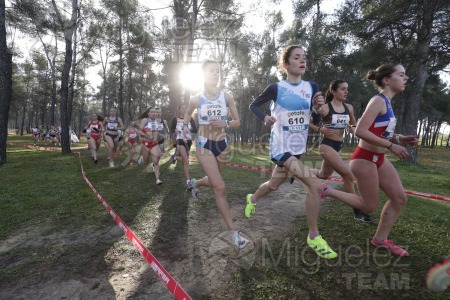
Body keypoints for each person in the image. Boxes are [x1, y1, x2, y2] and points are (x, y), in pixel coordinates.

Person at [245, 45, 366, 259]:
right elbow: (253, 105)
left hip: (297, 148)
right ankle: (314, 236)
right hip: (280, 147)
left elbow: (316, 118)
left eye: (304, 58)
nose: (302, 61)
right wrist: (265, 117)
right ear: (285, 64)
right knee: (315, 185)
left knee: (273, 185)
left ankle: (252, 199)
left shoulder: (312, 86)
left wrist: (319, 109)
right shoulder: (276, 88)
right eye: (297, 57)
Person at [349, 63, 418, 256]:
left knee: (399, 198)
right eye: (402, 74)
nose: (406, 78)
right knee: (368, 206)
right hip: (364, 159)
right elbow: (360, 131)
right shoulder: (378, 100)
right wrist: (391, 146)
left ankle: (380, 239)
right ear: (387, 80)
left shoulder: (387, 102)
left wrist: (398, 138)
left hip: (378, 158)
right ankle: (326, 190)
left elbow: (379, 131)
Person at [182, 59, 248, 249]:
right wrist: (185, 127)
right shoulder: (196, 99)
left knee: (213, 181)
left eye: (218, 71)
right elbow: (187, 113)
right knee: (220, 187)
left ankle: (195, 183)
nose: (216, 74)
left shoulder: (226, 97)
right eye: (212, 71)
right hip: (204, 144)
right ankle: (234, 234)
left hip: (222, 144)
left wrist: (226, 123)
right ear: (203, 74)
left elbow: (237, 121)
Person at [309, 80, 377, 223]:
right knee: (347, 175)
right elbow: (306, 121)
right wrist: (319, 129)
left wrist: (353, 128)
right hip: (326, 146)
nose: (346, 92)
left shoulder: (349, 108)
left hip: (338, 145)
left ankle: (296, 171)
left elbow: (353, 124)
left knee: (323, 174)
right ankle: (358, 212)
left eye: (347, 89)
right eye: (342, 89)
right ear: (333, 91)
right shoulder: (325, 108)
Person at [171, 104, 197, 189]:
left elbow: (195, 129)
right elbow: (172, 130)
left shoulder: (190, 119)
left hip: (188, 141)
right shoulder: (176, 119)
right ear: (179, 110)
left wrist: (188, 129)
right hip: (180, 140)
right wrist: (176, 131)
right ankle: (188, 181)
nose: (184, 110)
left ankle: (175, 158)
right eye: (182, 108)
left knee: (184, 160)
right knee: (186, 161)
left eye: (186, 108)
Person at [136, 107, 163, 185]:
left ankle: (158, 179)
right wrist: (147, 136)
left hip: (154, 144)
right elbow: (138, 130)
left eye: (154, 112)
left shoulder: (157, 121)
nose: (153, 113)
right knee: (145, 162)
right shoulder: (145, 120)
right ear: (148, 113)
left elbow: (157, 131)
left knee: (156, 161)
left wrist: (160, 135)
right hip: (146, 144)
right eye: (151, 112)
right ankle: (142, 159)